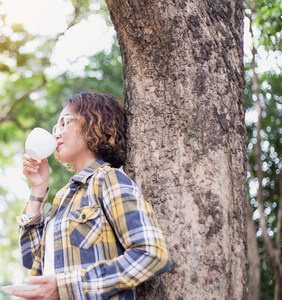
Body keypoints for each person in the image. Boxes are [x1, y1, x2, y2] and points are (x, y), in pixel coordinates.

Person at [15, 92, 171, 300]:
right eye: (56, 128)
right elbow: (31, 260)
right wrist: (38, 188)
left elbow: (151, 254)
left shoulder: (109, 180)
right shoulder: (63, 197)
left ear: (92, 123)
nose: (56, 135)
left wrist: (66, 287)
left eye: (64, 123)